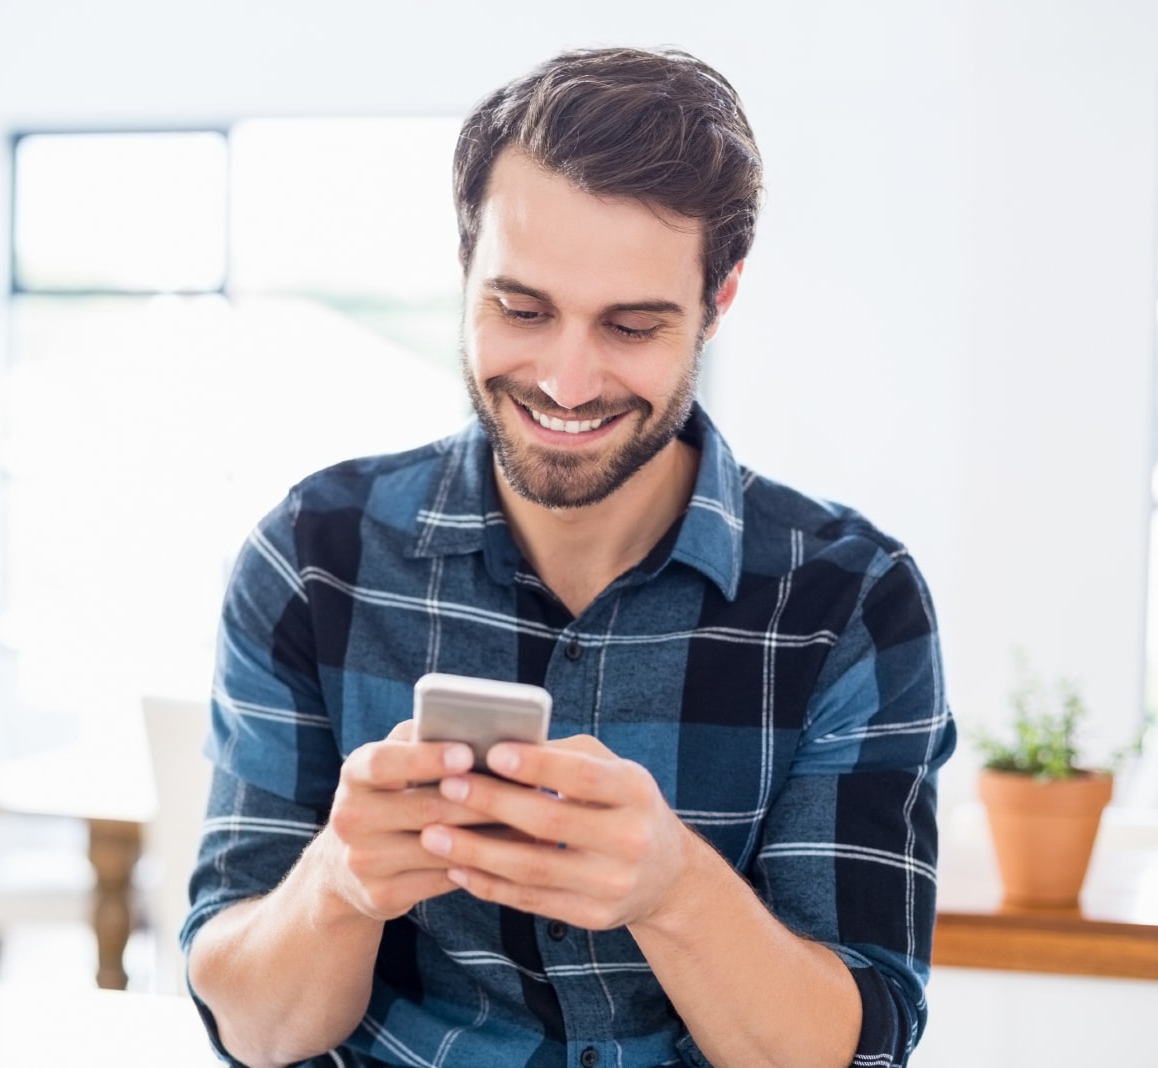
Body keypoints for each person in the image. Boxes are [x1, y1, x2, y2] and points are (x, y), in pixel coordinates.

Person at [183, 45, 956, 1068]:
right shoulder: (314, 559)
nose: (567, 379)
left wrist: (675, 890)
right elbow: (254, 1027)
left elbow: (848, 1050)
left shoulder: (850, 602)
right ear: (464, 271)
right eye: (522, 309)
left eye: (631, 325)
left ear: (719, 301)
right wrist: (339, 881)